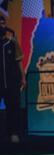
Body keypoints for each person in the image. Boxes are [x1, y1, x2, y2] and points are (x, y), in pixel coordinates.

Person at [0, 15, 26, 144]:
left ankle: (14, 133)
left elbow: (19, 61)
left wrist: (23, 77)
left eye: (3, 23)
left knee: (13, 108)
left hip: (12, 81)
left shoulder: (12, 42)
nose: (2, 25)